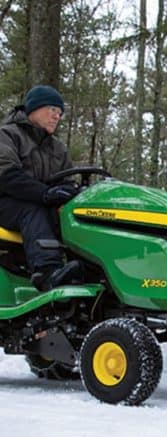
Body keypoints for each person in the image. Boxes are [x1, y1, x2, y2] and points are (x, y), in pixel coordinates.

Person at [0, 84, 83, 291]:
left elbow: (67, 181)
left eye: (60, 113)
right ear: (34, 109)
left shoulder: (58, 148)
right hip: (6, 203)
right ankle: (47, 272)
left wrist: (69, 193)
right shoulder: (8, 135)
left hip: (41, 204)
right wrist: (45, 194)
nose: (57, 116)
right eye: (52, 110)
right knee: (33, 209)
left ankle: (90, 270)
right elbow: (7, 176)